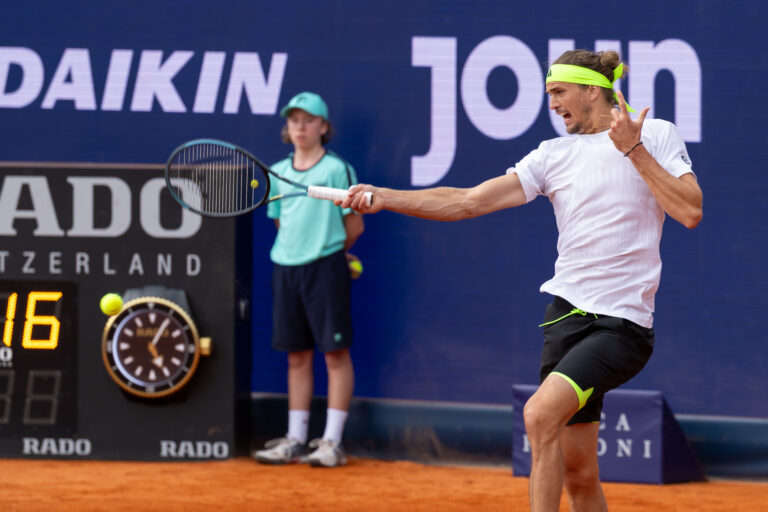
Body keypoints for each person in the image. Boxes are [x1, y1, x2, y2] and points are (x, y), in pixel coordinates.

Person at [342, 50, 702, 510]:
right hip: (563, 321)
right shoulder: (553, 155)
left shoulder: (655, 134)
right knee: (580, 474)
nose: (552, 104)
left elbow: (689, 211)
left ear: (592, 89)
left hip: (621, 325)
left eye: (559, 92)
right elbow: (467, 202)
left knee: (537, 414)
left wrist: (633, 149)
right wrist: (387, 197)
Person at [253, 91, 364, 468]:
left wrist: (331, 251)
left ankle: (331, 442)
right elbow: (282, 224)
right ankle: (296, 439)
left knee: (334, 354)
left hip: (326, 269)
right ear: (287, 127)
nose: (300, 126)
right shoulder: (275, 172)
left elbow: (355, 224)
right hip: (286, 270)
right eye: (294, 119)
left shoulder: (337, 170)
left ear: (323, 126)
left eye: (308, 119)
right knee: (297, 357)